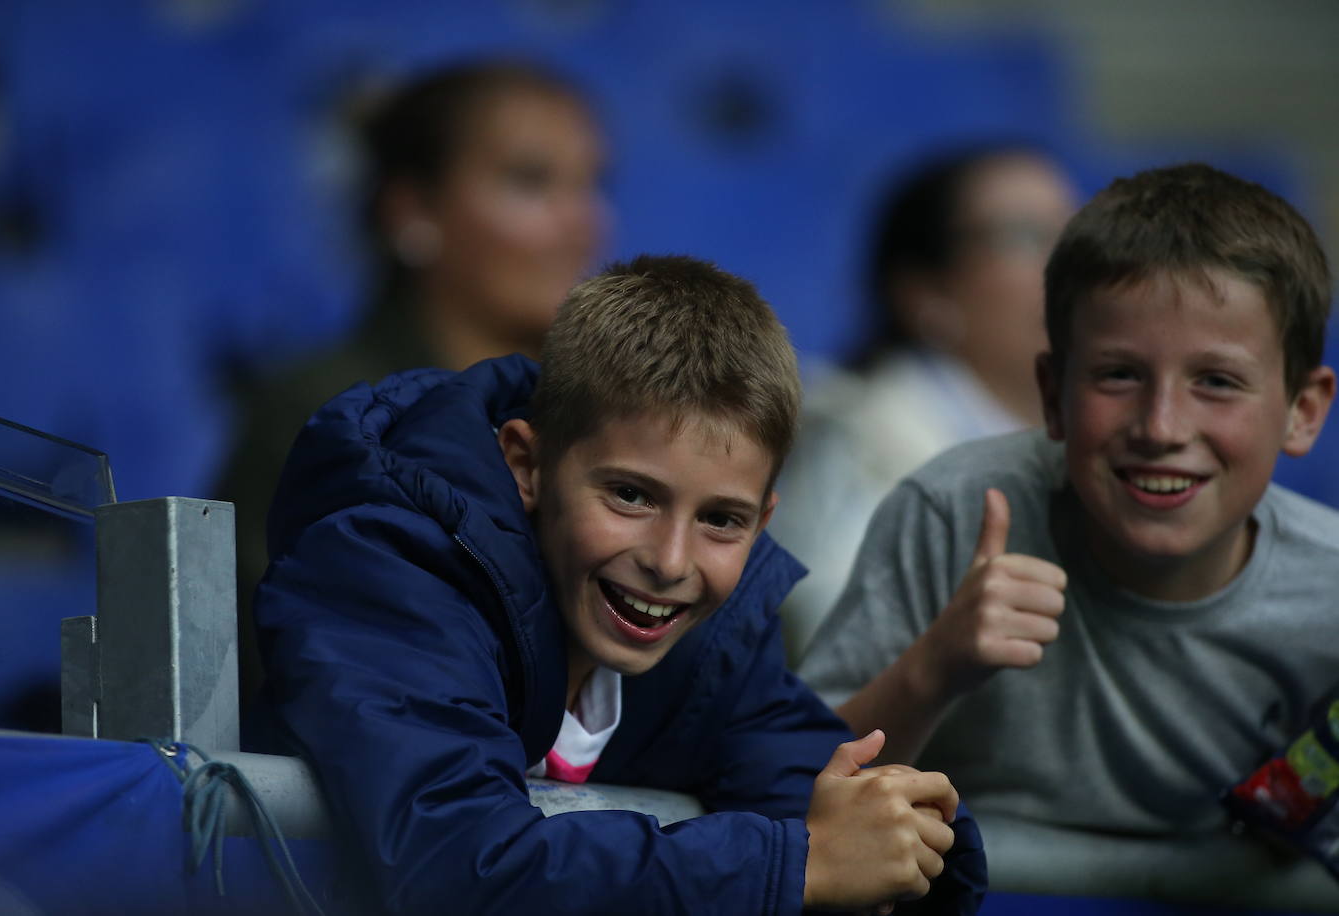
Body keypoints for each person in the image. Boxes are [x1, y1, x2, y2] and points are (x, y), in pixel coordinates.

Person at [251, 255, 986, 913]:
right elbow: (457, 870)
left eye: (722, 520)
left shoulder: (713, 639)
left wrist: (911, 843)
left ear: (763, 522)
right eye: (631, 496)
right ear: (526, 466)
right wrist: (803, 867)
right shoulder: (391, 570)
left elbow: (805, 791)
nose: (670, 560)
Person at [798, 163, 1339, 837]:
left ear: (1304, 410)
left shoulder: (1329, 593)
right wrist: (932, 668)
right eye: (1119, 374)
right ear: (1053, 393)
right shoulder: (949, 511)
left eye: (1218, 381)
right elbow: (791, 783)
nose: (1162, 427)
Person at [217, 59, 607, 703]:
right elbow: (274, 658)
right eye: (531, 182)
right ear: (412, 212)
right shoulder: (324, 411)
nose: (584, 223)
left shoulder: (610, 419)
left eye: (593, 184)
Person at [771, 146, 1077, 662]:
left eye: (1073, 231)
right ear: (927, 293)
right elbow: (840, 646)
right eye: (1025, 237)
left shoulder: (1103, 436)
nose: (1070, 264)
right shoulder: (862, 438)